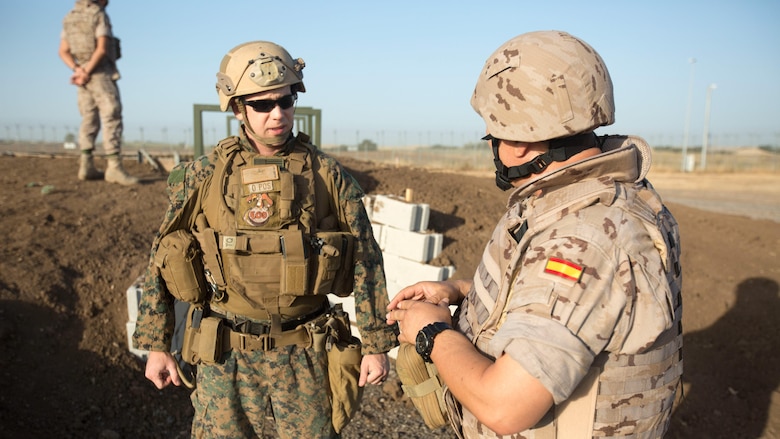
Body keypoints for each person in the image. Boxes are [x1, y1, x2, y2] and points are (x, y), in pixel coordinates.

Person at [387, 30, 683, 438]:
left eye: (494, 135)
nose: (493, 146)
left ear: (521, 144)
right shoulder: (587, 201)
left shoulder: (587, 236)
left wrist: (431, 331)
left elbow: (506, 406)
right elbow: (565, 302)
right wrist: (459, 291)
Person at [132, 40, 397, 438]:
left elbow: (366, 260)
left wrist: (376, 344)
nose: (278, 114)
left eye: (286, 101)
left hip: (305, 351)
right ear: (237, 107)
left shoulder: (326, 174)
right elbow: (163, 254)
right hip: (224, 353)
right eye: (262, 104)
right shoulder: (204, 175)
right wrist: (156, 344)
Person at [58, 0, 137, 185]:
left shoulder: (68, 18)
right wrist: (87, 71)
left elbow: (63, 51)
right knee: (112, 116)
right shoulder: (98, 14)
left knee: (88, 118)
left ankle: (86, 165)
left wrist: (78, 70)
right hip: (100, 73)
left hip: (82, 77)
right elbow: (102, 48)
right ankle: (114, 168)